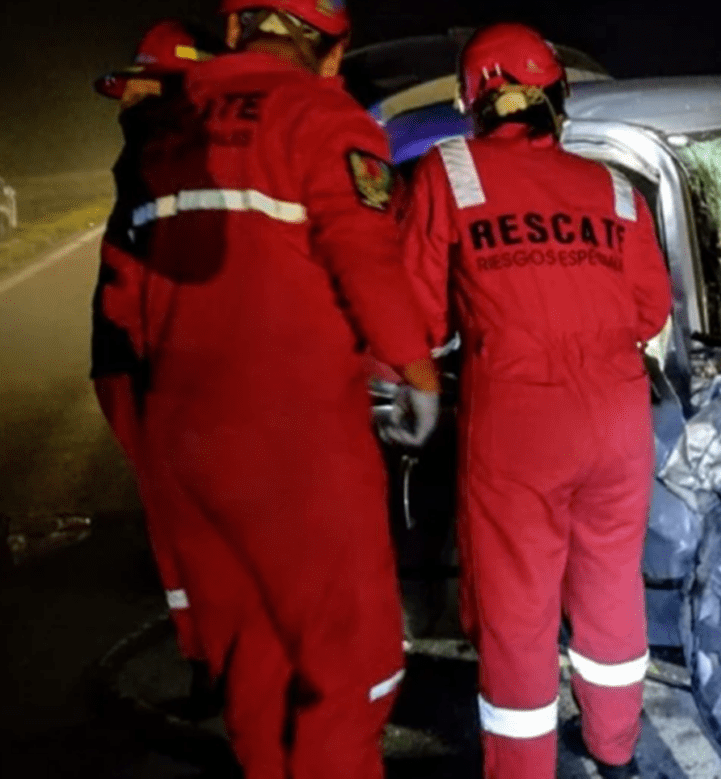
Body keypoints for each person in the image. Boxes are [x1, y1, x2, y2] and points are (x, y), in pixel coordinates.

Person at [100, 1, 441, 777]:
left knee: (253, 657)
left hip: (186, 441)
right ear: (332, 48)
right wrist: (413, 370)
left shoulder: (170, 125)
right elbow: (362, 252)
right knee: (351, 669)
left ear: (235, 29)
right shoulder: (321, 114)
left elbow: (125, 295)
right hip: (295, 446)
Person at [400, 22, 672, 779]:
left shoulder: (448, 172)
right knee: (611, 588)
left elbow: (418, 317)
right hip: (619, 422)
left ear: (472, 103)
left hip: (521, 422)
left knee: (518, 613)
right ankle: (615, 748)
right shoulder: (615, 187)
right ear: (558, 96)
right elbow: (650, 312)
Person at [90, 17, 218, 700]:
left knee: (180, 516)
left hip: (142, 359)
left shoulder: (156, 149)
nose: (127, 99)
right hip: (148, 360)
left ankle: (209, 656)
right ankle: (214, 654)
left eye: (139, 83)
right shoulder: (174, 147)